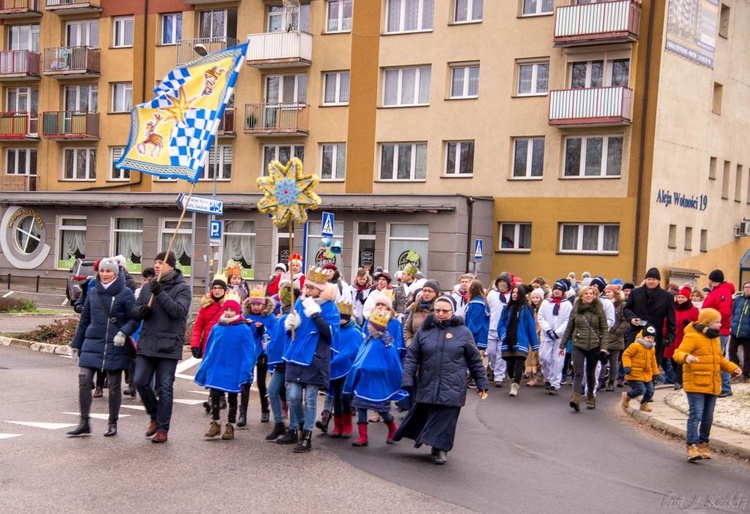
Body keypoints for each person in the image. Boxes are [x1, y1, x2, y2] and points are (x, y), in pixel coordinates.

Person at [394, 295, 489, 465]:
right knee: (428, 414)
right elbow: (412, 357)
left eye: (445, 311)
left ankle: (441, 449)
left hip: (453, 384)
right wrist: (407, 379)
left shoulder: (463, 332)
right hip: (429, 381)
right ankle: (432, 443)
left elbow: (474, 360)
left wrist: (481, 382)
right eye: (437, 310)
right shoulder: (425, 331)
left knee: (447, 418)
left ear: (452, 312)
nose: (441, 314)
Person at [128, 251, 192, 444]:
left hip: (168, 345)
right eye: (155, 262)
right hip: (148, 342)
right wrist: (141, 311)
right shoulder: (148, 287)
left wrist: (160, 293)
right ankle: (154, 416)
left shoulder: (182, 288)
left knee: (164, 388)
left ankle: (163, 428)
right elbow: (134, 310)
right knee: (139, 381)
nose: (156, 266)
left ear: (171, 266)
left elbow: (178, 312)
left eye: (161, 262)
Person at [68, 258, 136, 437]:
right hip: (92, 343)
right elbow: (84, 321)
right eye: (102, 271)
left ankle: (112, 422)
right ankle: (84, 422)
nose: (104, 274)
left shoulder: (125, 293)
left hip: (116, 344)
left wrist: (124, 332)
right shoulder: (93, 292)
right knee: (84, 380)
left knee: (114, 386)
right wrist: (76, 344)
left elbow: (134, 319)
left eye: (109, 271)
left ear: (116, 273)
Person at [282, 268, 340, 453]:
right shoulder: (300, 302)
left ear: (319, 290)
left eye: (310, 288)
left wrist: (315, 314)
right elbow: (291, 332)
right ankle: (299, 425)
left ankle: (306, 436)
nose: (306, 290)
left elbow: (331, 333)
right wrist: (290, 324)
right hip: (296, 356)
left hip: (315, 358)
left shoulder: (330, 307)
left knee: (310, 398)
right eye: (306, 286)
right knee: (292, 397)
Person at [673, 308, 742, 461]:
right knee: (696, 414)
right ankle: (691, 446)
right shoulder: (692, 336)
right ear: (707, 323)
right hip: (695, 382)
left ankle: (703, 443)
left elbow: (720, 359)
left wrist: (733, 368)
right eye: (716, 322)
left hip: (712, 383)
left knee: (708, 417)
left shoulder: (715, 338)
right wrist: (686, 357)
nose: (720, 324)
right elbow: (678, 353)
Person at [194, 293, 261, 440]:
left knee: (232, 396)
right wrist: (206, 364)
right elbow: (210, 347)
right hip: (217, 366)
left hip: (234, 367)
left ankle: (230, 424)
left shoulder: (243, 329)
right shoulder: (217, 327)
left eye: (232, 310)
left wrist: (246, 370)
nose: (229, 312)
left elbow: (249, 351)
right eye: (227, 309)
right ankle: (216, 422)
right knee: (215, 395)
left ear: (237, 312)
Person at [343, 309, 405, 447]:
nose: (368, 326)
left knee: (383, 410)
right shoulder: (368, 341)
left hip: (379, 383)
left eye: (371, 324)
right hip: (364, 381)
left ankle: (392, 428)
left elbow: (391, 364)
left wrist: (372, 367)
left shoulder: (387, 344)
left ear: (377, 327)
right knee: (361, 407)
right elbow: (359, 360)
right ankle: (363, 436)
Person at [623, 267, 676, 384]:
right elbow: (626, 308)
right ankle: (636, 386)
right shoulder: (636, 293)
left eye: (654, 279)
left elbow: (671, 318)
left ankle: (649, 388)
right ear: (645, 280)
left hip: (655, 335)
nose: (651, 281)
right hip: (636, 332)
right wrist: (631, 318)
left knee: (652, 363)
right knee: (634, 360)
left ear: (658, 281)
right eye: (649, 279)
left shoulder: (666, 297)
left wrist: (670, 336)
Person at [561, 286, 609, 411]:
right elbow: (569, 328)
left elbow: (604, 330)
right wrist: (563, 345)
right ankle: (575, 398)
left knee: (590, 373)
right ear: (581, 296)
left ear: (594, 296)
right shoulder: (575, 309)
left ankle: (590, 398)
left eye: (591, 293)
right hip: (578, 344)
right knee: (578, 372)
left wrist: (603, 348)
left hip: (594, 345)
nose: (588, 295)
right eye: (586, 293)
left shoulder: (599, 310)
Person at [326, 300, 364, 438]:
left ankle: (348, 424)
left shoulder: (354, 332)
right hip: (334, 367)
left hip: (347, 369)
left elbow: (354, 350)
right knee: (336, 397)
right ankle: (338, 424)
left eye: (343, 317)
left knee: (345, 397)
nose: (340, 320)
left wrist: (340, 358)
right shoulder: (335, 329)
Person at [242, 287, 277, 425]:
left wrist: (263, 330)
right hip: (248, 352)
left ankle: (265, 409)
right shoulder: (245, 316)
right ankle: (242, 414)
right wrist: (245, 325)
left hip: (262, 353)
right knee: (246, 381)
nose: (256, 307)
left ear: (263, 304)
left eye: (258, 304)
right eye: (253, 304)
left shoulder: (270, 317)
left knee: (261, 382)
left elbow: (274, 335)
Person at [266, 282, 296, 443]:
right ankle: (279, 423)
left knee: (293, 397)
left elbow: (278, 339)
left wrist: (270, 347)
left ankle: (295, 426)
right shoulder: (284, 316)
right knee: (272, 391)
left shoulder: (289, 316)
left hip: (289, 361)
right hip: (281, 363)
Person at [496, 285, 539, 398]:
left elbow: (531, 326)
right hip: (508, 340)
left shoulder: (526, 309)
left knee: (519, 362)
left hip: (521, 340)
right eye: (513, 292)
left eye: (517, 293)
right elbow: (500, 324)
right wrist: (504, 333)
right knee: (509, 365)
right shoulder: (506, 308)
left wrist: (534, 344)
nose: (514, 294)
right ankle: (511, 379)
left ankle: (515, 385)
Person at [702, 269, 735, 397]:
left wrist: (712, 323)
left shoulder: (722, 292)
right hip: (714, 330)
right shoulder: (718, 291)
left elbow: (725, 312)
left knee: (718, 359)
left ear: (712, 280)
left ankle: (726, 387)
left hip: (718, 332)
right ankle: (717, 385)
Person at [538, 279, 573, 395]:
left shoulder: (567, 304)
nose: (557, 291)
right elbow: (541, 317)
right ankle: (547, 377)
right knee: (544, 358)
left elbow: (568, 320)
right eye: (556, 289)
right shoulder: (545, 302)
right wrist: (548, 330)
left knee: (557, 361)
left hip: (559, 337)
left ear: (564, 292)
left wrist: (557, 332)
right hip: (547, 336)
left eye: (560, 290)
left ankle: (555, 384)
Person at [621, 325, 659, 412]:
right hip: (634, 373)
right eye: (648, 337)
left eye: (652, 338)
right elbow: (626, 355)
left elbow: (653, 361)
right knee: (641, 389)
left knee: (650, 391)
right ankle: (627, 396)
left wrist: (655, 373)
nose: (650, 340)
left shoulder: (652, 349)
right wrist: (627, 366)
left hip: (647, 374)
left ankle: (643, 404)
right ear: (643, 337)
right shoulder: (635, 345)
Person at [600, 284, 629, 392]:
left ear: (615, 293)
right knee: (602, 360)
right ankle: (601, 380)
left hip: (616, 338)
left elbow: (625, 321)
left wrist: (617, 331)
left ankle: (612, 381)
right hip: (605, 337)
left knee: (613, 362)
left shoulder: (622, 305)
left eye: (609, 292)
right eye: (606, 292)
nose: (607, 294)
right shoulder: (603, 304)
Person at [669, 287, 699, 390]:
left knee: (680, 361)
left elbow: (698, 323)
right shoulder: (673, 309)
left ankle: (678, 381)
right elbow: (667, 321)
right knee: (673, 359)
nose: (680, 299)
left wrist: (690, 324)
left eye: (683, 297)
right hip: (674, 337)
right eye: (679, 297)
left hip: (685, 338)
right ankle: (678, 379)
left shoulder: (693, 310)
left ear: (687, 298)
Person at [486, 272, 512, 387]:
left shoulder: (510, 295)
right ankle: (492, 367)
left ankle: (499, 376)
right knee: (491, 352)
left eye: (504, 282)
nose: (502, 284)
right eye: (500, 281)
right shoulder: (492, 294)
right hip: (491, 327)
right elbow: (486, 309)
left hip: (504, 329)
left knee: (502, 353)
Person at [403, 279, 439, 348]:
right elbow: (407, 329)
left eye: (429, 291)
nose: (426, 293)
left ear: (435, 293)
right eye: (424, 290)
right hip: (416, 349)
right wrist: (410, 344)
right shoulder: (415, 308)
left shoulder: (439, 309)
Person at [729, 281, 750, 383]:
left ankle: (746, 375)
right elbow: (732, 313)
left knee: (748, 356)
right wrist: (732, 324)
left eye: (749, 287)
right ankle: (735, 373)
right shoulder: (738, 300)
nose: (747, 289)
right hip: (735, 331)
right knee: (731, 351)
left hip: (748, 334)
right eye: (745, 287)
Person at [525, 287, 545, 387]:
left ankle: (544, 375)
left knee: (541, 356)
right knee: (531, 356)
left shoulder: (544, 308)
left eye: (537, 297)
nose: (535, 300)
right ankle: (533, 377)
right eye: (533, 297)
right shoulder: (529, 309)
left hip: (541, 335)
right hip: (531, 335)